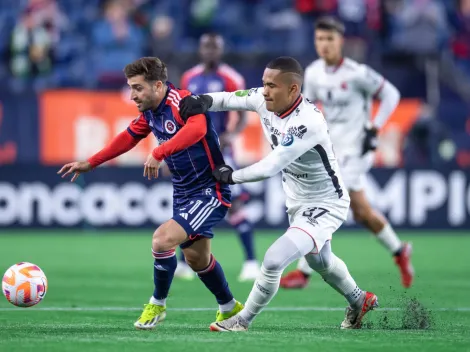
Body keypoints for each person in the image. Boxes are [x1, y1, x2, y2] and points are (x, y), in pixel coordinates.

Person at [178, 56, 378, 331]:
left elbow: (271, 166)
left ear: (293, 90)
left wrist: (231, 176)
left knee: (273, 259)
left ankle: (241, 320)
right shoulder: (263, 99)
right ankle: (360, 301)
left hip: (325, 202)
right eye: (263, 83)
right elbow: (229, 99)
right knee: (321, 261)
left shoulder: (307, 121)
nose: (264, 90)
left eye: (272, 85)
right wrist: (204, 101)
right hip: (297, 201)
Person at [57, 57, 242, 330]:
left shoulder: (183, 101)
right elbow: (128, 137)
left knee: (161, 240)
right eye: (130, 88)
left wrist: (159, 152)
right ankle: (229, 308)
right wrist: (91, 162)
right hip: (183, 192)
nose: (132, 95)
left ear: (157, 85)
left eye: (137, 88)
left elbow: (198, 128)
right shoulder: (151, 112)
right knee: (196, 259)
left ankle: (157, 303)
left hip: (209, 189)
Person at [281, 16, 414, 290]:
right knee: (362, 212)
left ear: (340, 41)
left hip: (357, 150)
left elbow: (391, 94)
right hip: (332, 150)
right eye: (320, 39)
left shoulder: (357, 73)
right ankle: (400, 251)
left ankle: (303, 272)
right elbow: (309, 107)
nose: (324, 45)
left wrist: (374, 128)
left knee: (328, 201)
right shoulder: (314, 72)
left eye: (330, 39)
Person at [176, 33, 260, 282]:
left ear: (221, 50)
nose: (210, 51)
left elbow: (245, 111)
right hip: (195, 150)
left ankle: (251, 262)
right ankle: (183, 264)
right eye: (206, 47)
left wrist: (231, 135)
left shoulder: (231, 78)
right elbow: (182, 115)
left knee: (235, 204)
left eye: (214, 47)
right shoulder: (189, 77)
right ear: (200, 49)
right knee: (190, 202)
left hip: (221, 151)